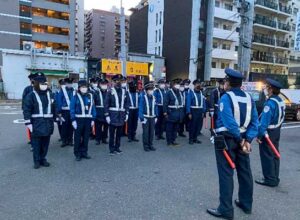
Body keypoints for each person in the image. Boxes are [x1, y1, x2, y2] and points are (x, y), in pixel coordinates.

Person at [207, 68, 259, 220]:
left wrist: (241, 139)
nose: (224, 84)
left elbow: (229, 122)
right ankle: (246, 204)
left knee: (226, 174)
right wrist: (248, 140)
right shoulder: (249, 98)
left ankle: (226, 210)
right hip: (242, 140)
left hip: (228, 140)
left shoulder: (225, 98)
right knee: (245, 173)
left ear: (228, 82)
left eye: (225, 81)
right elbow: (255, 122)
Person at [255, 78, 285, 187]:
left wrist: (259, 135)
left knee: (267, 155)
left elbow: (264, 122)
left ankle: (269, 179)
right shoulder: (280, 101)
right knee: (275, 154)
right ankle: (275, 177)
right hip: (276, 131)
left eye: (267, 87)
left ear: (271, 89)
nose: (266, 89)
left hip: (268, 132)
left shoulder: (270, 103)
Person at [23, 73, 55, 169]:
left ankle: (43, 159)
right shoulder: (31, 95)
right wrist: (28, 122)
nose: (44, 85)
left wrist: (57, 117)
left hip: (48, 123)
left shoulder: (50, 94)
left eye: (45, 83)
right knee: (37, 144)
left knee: (45, 144)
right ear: (37, 84)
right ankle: (36, 161)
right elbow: (27, 109)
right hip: (36, 123)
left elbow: (54, 106)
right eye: (42, 83)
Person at [70, 80, 96, 161]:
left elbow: (93, 108)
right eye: (82, 87)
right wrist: (73, 120)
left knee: (86, 137)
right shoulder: (75, 96)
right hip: (78, 120)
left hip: (88, 120)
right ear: (79, 88)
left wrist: (93, 119)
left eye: (85, 87)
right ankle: (77, 153)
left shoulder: (90, 96)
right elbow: (72, 108)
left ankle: (84, 152)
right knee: (77, 138)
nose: (84, 88)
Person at [104, 75, 129, 155]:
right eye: (116, 81)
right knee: (111, 134)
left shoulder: (125, 91)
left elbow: (127, 103)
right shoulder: (110, 91)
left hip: (121, 116)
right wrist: (107, 115)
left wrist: (127, 113)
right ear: (113, 82)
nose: (118, 82)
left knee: (119, 134)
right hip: (112, 116)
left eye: (120, 81)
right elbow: (106, 104)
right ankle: (111, 149)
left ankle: (117, 147)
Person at [163, 78, 184, 146]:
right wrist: (165, 113)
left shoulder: (180, 92)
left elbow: (181, 104)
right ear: (174, 84)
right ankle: (169, 141)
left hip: (178, 113)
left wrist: (181, 114)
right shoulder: (169, 92)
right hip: (171, 113)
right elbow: (165, 103)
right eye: (177, 84)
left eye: (179, 84)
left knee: (175, 128)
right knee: (169, 128)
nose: (178, 85)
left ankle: (173, 140)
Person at [139, 81, 158, 151]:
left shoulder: (154, 97)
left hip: (152, 117)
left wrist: (156, 116)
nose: (151, 91)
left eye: (152, 89)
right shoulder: (143, 97)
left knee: (151, 132)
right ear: (146, 91)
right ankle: (146, 146)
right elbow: (140, 107)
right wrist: (141, 118)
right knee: (146, 133)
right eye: (150, 89)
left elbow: (156, 107)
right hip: (145, 117)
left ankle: (151, 145)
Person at [57, 78, 75, 147]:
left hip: (72, 111)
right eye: (68, 83)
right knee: (64, 126)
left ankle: (70, 140)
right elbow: (59, 101)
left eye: (71, 83)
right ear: (66, 83)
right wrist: (59, 111)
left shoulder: (74, 90)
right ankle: (64, 141)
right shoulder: (62, 90)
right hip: (64, 111)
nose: (69, 84)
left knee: (71, 126)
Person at [186, 79, 206, 145]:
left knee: (198, 126)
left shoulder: (201, 93)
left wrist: (203, 111)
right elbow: (188, 103)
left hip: (200, 111)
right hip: (193, 111)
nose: (198, 85)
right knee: (192, 126)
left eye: (199, 84)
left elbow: (203, 103)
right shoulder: (191, 92)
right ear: (194, 85)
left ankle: (195, 138)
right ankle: (191, 139)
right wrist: (189, 112)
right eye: (197, 84)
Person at [94, 79, 109, 145]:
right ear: (100, 85)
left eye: (105, 84)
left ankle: (104, 138)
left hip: (106, 112)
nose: (104, 85)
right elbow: (93, 103)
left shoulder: (109, 92)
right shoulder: (96, 92)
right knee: (98, 127)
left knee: (106, 126)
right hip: (98, 112)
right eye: (102, 84)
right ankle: (97, 139)